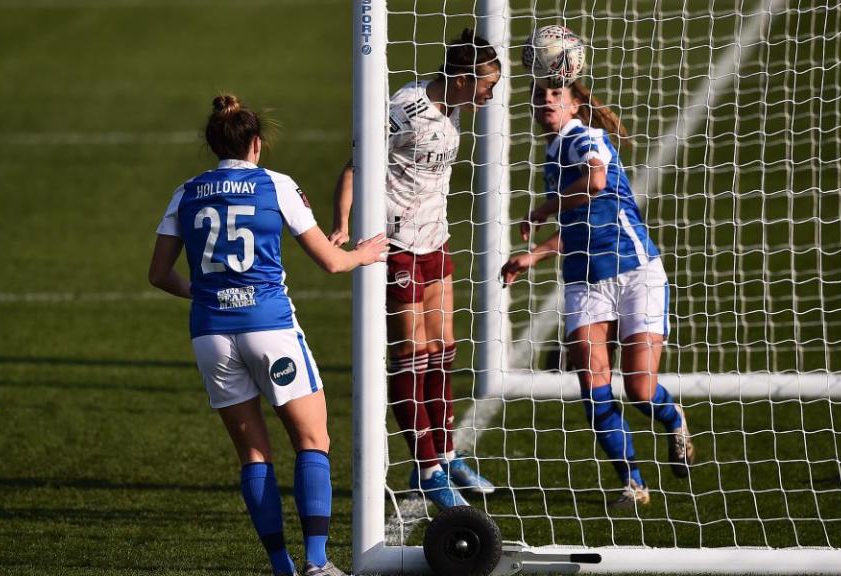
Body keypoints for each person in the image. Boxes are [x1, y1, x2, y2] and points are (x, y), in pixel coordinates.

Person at [148, 94, 387, 576]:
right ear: (256, 144)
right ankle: (317, 563)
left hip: (211, 336)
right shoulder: (276, 185)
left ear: (214, 145)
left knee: (254, 454)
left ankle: (282, 567)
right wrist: (364, 253)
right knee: (312, 439)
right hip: (270, 329)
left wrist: (204, 293)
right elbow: (332, 260)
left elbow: (158, 274)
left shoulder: (186, 192)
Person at [501, 80, 696, 508]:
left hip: (635, 273)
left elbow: (596, 180)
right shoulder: (553, 155)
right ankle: (634, 483)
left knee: (641, 390)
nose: (547, 101)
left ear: (575, 104)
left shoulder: (585, 137)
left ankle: (673, 417)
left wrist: (543, 208)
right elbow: (580, 225)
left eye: (556, 94)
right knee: (594, 388)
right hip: (585, 281)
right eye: (540, 96)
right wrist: (535, 255)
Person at [329, 29, 500, 509]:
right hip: (398, 245)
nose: (491, 96)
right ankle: (426, 469)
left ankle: (445, 455)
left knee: (445, 350)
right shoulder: (405, 108)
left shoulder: (457, 107)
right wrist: (342, 223)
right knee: (412, 354)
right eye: (488, 86)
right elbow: (354, 166)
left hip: (436, 241)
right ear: (464, 80)